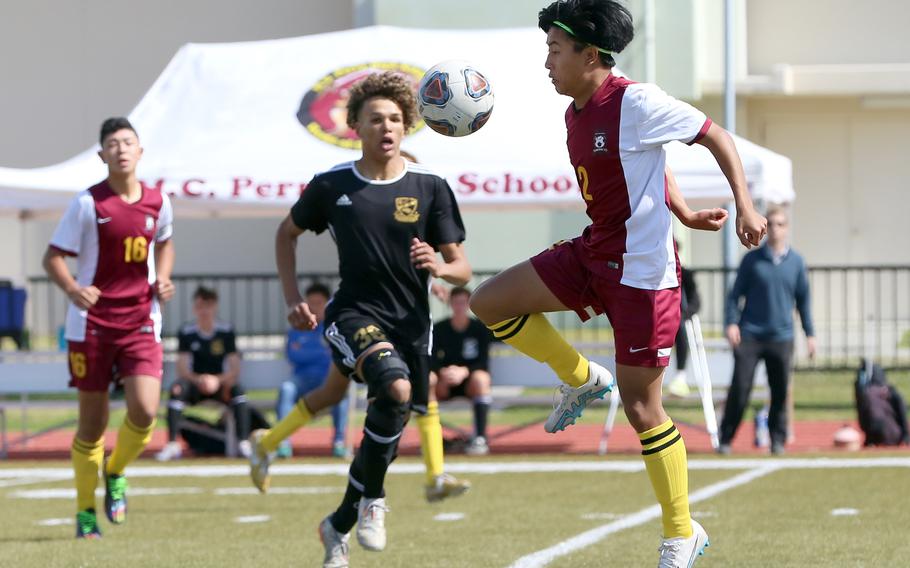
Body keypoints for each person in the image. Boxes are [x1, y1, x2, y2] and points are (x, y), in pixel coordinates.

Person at [468, 2, 767, 565]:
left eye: (555, 50)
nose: (547, 62)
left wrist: (743, 208)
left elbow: (714, 136)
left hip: (644, 279)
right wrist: (681, 209)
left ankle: (683, 531)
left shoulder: (636, 99)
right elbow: (649, 161)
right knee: (488, 302)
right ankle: (580, 378)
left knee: (641, 408)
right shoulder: (575, 112)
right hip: (594, 252)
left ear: (590, 54)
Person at [249, 71, 473, 566]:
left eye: (395, 118)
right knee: (394, 391)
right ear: (355, 126)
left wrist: (440, 264)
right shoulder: (331, 186)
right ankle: (375, 500)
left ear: (407, 126)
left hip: (412, 324)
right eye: (375, 118)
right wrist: (292, 298)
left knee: (391, 419)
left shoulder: (431, 188)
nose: (386, 126)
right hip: (352, 314)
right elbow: (286, 235)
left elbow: (462, 268)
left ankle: (338, 524)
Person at [43, 117, 175, 539]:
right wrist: (72, 289)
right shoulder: (88, 204)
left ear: (140, 152)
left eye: (128, 142)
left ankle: (115, 471)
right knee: (92, 425)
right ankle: (85, 512)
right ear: (102, 155)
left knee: (146, 411)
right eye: (112, 144)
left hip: (141, 320)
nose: (121, 149)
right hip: (92, 326)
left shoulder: (159, 201)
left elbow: (166, 241)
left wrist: (164, 277)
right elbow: (52, 257)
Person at [720, 206, 815, 456]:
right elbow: (734, 296)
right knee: (740, 388)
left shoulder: (796, 262)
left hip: (781, 337)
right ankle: (726, 438)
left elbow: (803, 301)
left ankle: (777, 440)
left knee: (780, 392)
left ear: (787, 228)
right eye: (771, 223)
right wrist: (731, 323)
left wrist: (810, 334)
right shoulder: (751, 260)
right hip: (750, 334)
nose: (775, 229)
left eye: (780, 224)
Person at [156, 286, 249, 461]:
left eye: (208, 305)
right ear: (194, 308)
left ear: (215, 307)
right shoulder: (187, 332)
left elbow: (234, 369)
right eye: (200, 306)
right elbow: (182, 368)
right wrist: (200, 379)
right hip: (195, 385)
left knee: (238, 391)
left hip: (220, 385)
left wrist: (216, 380)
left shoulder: (226, 331)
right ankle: (172, 444)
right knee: (177, 389)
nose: (204, 310)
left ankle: (243, 443)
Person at [276, 282, 350, 458]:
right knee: (286, 390)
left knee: (340, 393)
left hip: (328, 378)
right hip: (301, 379)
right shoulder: (297, 328)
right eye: (311, 303)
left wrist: (308, 352)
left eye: (318, 302)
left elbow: (340, 354)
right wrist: (321, 352)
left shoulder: (335, 328)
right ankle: (283, 442)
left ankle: (339, 442)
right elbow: (293, 356)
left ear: (328, 303)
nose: (314, 307)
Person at [430, 286, 493, 455]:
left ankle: (480, 438)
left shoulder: (479, 328)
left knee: (482, 379)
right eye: (456, 302)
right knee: (429, 381)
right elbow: (431, 358)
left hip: (469, 382)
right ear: (450, 304)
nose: (459, 306)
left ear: (469, 304)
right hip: (445, 382)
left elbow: (483, 361)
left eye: (463, 302)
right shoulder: (439, 328)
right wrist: (442, 373)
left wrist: (464, 371)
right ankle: (435, 439)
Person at [666, 242, 701, 398]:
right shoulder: (651, 273)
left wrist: (684, 314)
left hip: (677, 318)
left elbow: (695, 301)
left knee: (679, 328)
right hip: (658, 319)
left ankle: (680, 377)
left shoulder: (686, 275)